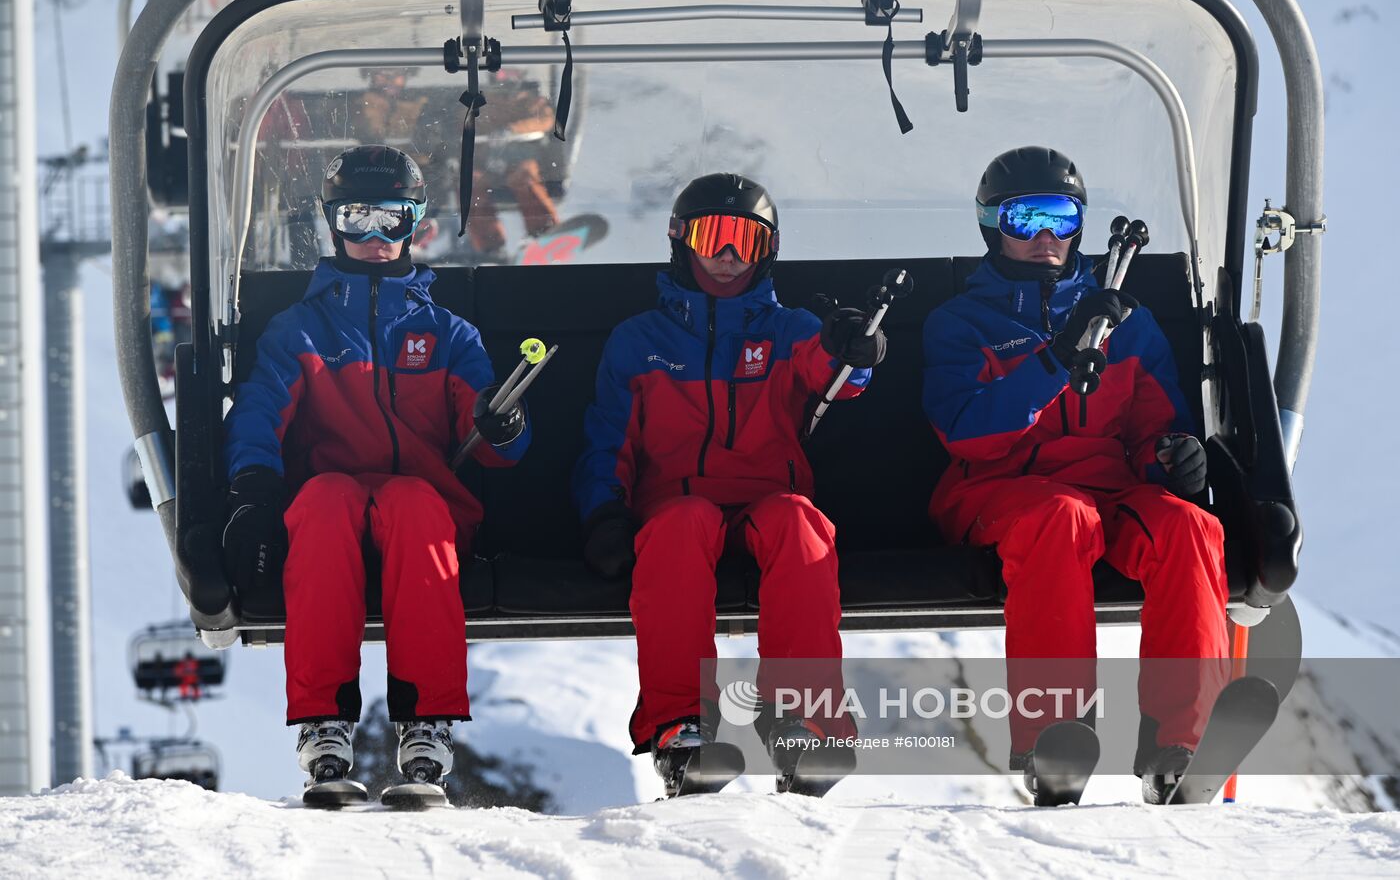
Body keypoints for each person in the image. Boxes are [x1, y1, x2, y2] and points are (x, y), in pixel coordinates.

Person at [220, 145, 531, 798]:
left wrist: (504, 425)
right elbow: (259, 411)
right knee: (326, 498)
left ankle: (426, 721)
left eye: (390, 220)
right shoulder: (298, 331)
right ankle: (324, 722)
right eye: (356, 218)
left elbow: (494, 439)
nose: (372, 236)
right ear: (332, 222)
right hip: (327, 510)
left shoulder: (448, 334)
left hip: (424, 511)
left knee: (415, 503)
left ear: (415, 223)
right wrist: (253, 484)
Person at [921, 146, 1227, 804]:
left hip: (1109, 492)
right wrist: (1053, 363)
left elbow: (1151, 428)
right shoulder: (960, 325)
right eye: (1023, 218)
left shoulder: (1124, 322)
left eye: (1058, 217)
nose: (1043, 237)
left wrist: (1171, 458)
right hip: (998, 492)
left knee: (1189, 527)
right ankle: (1053, 738)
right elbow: (969, 431)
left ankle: (1181, 746)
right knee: (1061, 516)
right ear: (991, 225)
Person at [573, 173, 887, 795]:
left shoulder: (789, 329)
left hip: (765, 498)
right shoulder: (640, 341)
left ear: (766, 250)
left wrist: (854, 350)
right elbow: (608, 438)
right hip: (678, 502)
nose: (727, 255)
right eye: (713, 236)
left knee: (801, 525)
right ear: (681, 240)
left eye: (745, 239)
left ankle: (806, 724)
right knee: (680, 526)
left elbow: (836, 376)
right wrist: (603, 514)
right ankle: (679, 726)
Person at [466, 69, 562, 257]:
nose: (508, 80)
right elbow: (464, 120)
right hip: (488, 162)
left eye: (512, 75)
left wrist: (511, 130)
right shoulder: (482, 102)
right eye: (502, 76)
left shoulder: (532, 102)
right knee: (471, 184)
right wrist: (486, 133)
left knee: (525, 178)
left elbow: (546, 121)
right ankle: (491, 244)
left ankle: (543, 230)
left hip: (519, 160)